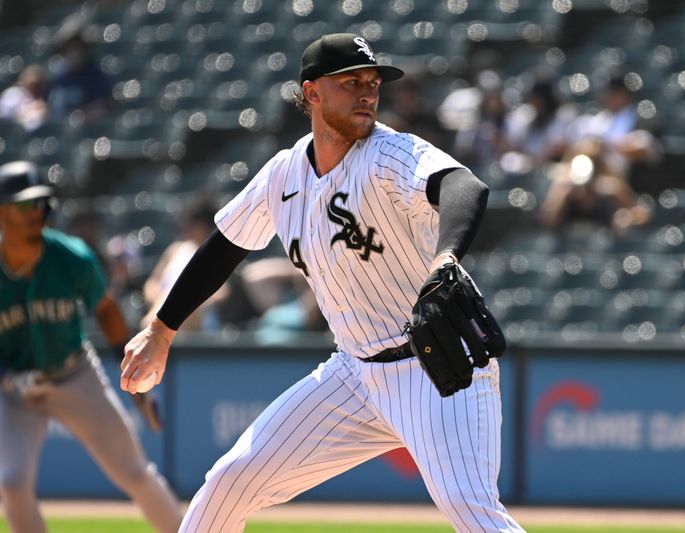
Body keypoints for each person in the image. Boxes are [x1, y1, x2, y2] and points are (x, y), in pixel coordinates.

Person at [120, 33, 524, 533]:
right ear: (311, 93)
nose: (367, 93)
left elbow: (464, 186)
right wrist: (161, 331)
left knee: (472, 511)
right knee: (229, 483)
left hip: (437, 370)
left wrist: (445, 258)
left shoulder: (388, 154)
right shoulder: (284, 174)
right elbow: (223, 247)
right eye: (350, 82)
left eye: (373, 83)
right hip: (354, 374)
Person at [0, 161, 182, 533]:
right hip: (14, 387)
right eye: (23, 205)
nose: (36, 213)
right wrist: (6, 379)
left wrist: (133, 378)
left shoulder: (70, 257)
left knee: (134, 472)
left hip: (74, 374)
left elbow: (107, 310)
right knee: (12, 483)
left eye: (41, 204)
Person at [140, 198, 227, 331]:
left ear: (204, 225)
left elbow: (222, 292)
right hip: (163, 306)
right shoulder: (175, 249)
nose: (186, 226)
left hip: (198, 317)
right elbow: (153, 282)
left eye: (192, 223)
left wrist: (188, 302)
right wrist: (161, 300)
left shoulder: (219, 253)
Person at [46, 13, 112, 121]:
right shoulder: (58, 78)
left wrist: (80, 116)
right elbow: (49, 108)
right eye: (70, 48)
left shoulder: (96, 76)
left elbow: (102, 107)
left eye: (78, 48)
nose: (74, 53)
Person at [0, 65, 48, 132]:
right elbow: (4, 114)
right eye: (33, 84)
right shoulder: (13, 94)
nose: (35, 88)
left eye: (38, 85)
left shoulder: (42, 100)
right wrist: (22, 113)